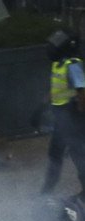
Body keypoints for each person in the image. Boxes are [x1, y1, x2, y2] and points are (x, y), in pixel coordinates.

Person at [41, 30, 85, 196]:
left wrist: (79, 116)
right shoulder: (58, 64)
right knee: (55, 156)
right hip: (62, 119)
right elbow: (55, 90)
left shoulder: (73, 64)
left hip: (72, 118)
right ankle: (46, 192)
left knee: (78, 156)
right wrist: (41, 107)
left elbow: (82, 92)